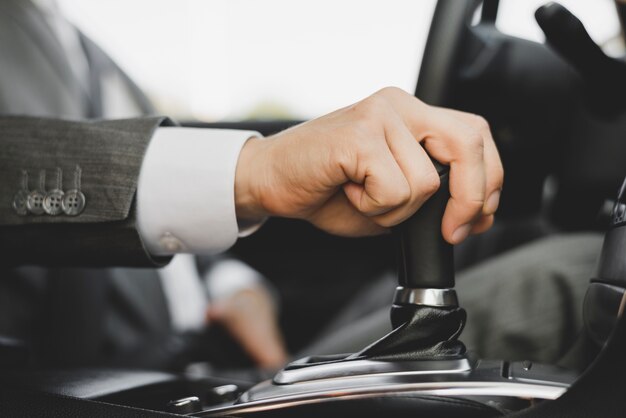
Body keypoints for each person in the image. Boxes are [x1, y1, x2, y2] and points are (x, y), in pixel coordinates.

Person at [0, 0, 502, 371]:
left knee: (497, 248)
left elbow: (168, 226)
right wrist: (253, 171)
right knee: (554, 283)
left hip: (220, 354)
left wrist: (234, 286)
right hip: (116, 377)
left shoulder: (94, 58)